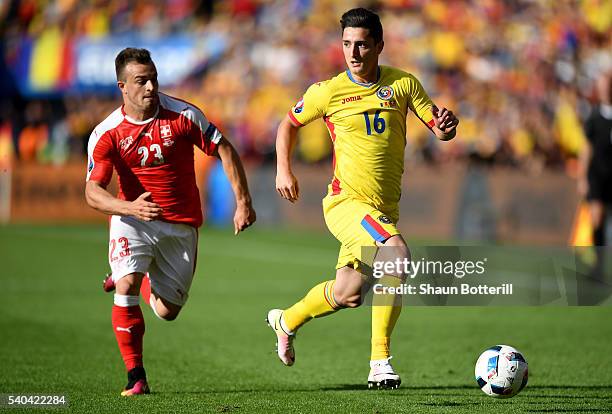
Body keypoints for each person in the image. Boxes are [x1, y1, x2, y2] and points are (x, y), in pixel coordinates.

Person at [267, 8, 458, 389]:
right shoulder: (328, 91)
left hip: (382, 210)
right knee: (397, 255)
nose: (353, 53)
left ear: (379, 46)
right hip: (346, 204)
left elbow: (438, 128)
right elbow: (288, 123)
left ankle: (285, 320)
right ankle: (379, 362)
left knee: (348, 293)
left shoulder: (403, 85)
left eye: (362, 45)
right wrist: (283, 169)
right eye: (347, 44)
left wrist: (447, 128)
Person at [85, 48, 256, 396]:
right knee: (127, 286)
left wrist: (243, 202)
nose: (150, 87)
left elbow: (224, 148)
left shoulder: (183, 115)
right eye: (140, 81)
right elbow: (92, 192)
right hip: (132, 218)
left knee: (167, 311)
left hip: (180, 223)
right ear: (122, 86)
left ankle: (133, 277)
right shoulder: (107, 133)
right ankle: (136, 377)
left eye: (153, 78)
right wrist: (129, 208)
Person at [578, 72, 612, 280]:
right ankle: (598, 267)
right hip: (598, 175)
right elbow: (586, 148)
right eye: (602, 86)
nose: (604, 90)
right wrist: (582, 177)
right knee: (597, 218)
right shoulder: (594, 116)